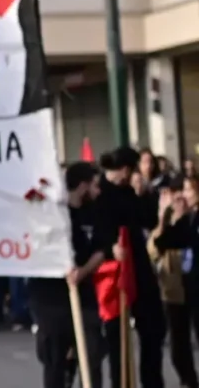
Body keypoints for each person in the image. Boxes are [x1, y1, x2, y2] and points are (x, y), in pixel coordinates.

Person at [28, 161, 105, 388]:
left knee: (92, 355)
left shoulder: (94, 212)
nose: (97, 191)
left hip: (84, 297)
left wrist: (83, 272)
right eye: (94, 185)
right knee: (55, 360)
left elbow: (102, 249)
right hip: (51, 299)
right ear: (82, 186)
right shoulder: (50, 214)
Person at [95, 146, 165, 388]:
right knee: (117, 337)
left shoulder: (131, 192)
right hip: (111, 271)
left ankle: (152, 381)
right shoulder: (99, 192)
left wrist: (144, 194)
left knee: (154, 327)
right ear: (125, 169)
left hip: (138, 266)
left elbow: (148, 220)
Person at [148, 179, 196, 388]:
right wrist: (162, 218)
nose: (181, 201)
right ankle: (188, 378)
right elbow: (154, 248)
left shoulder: (193, 221)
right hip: (174, 290)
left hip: (194, 287)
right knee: (179, 342)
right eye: (177, 198)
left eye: (184, 196)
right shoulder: (166, 226)